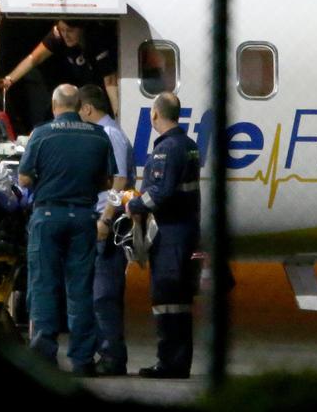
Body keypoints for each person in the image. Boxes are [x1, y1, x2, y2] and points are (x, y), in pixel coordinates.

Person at [18, 84, 116, 377]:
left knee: (44, 286)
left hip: (47, 216)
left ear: (54, 105)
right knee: (80, 290)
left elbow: (23, 178)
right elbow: (109, 181)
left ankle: (44, 357)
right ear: (78, 105)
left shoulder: (41, 133)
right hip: (84, 217)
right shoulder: (99, 136)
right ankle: (83, 360)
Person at [126, 92, 200, 379]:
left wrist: (132, 204)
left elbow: (160, 192)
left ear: (155, 114)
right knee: (180, 301)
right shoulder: (190, 145)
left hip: (170, 235)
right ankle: (179, 361)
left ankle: (169, 363)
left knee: (167, 297)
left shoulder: (166, 149)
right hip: (186, 231)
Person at [78, 84, 135, 377]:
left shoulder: (110, 134)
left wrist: (106, 218)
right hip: (101, 220)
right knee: (97, 294)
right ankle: (107, 354)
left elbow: (120, 181)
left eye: (79, 111)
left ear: (87, 109)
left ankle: (113, 358)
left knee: (104, 295)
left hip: (107, 225)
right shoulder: (107, 132)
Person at [0, 19, 119, 118]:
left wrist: (118, 114)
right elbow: (34, 58)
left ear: (82, 29)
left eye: (70, 31)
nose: (66, 35)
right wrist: (9, 79)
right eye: (62, 30)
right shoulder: (57, 35)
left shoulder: (96, 38)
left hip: (99, 91)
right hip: (75, 87)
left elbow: (110, 80)